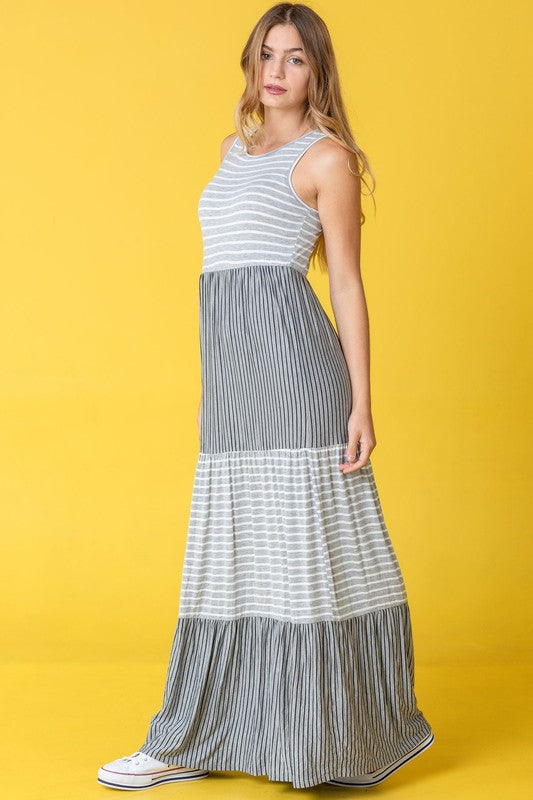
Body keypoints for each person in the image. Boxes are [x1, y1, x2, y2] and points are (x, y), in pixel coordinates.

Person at [97, 2, 434, 791]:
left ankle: (318, 741)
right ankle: (190, 733)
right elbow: (222, 281)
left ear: (316, 71)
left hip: (297, 377)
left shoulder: (328, 160)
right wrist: (215, 394)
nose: (275, 72)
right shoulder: (232, 150)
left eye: (294, 60)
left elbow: (344, 283)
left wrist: (361, 403)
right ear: (249, 67)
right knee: (231, 561)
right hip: (236, 386)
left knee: (303, 563)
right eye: (264, 57)